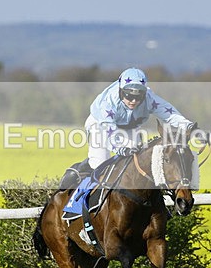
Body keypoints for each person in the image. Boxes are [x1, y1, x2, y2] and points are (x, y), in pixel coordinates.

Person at [59, 67, 195, 189]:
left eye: (138, 97)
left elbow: (169, 114)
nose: (134, 101)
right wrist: (120, 148)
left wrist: (189, 126)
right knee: (100, 163)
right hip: (101, 126)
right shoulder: (107, 103)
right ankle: (80, 170)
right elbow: (109, 132)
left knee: (137, 162)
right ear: (121, 91)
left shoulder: (149, 98)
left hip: (129, 127)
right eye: (129, 96)